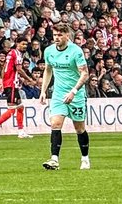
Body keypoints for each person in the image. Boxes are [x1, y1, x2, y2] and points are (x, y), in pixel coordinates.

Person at [39, 23, 91, 170]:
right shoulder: (49, 51)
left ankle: (85, 158)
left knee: (79, 128)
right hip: (59, 94)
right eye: (55, 35)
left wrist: (74, 91)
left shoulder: (76, 51)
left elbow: (85, 73)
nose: (57, 38)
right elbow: (48, 70)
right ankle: (54, 159)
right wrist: (43, 91)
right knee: (55, 123)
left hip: (77, 94)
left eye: (60, 35)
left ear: (67, 35)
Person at [0, 36, 33, 139]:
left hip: (11, 84)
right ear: (17, 43)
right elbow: (19, 69)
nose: (24, 46)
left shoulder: (11, 53)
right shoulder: (16, 54)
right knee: (12, 109)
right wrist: (29, 79)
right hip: (12, 84)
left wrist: (3, 81)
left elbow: (4, 67)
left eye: (26, 44)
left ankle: (21, 131)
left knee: (20, 107)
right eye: (22, 44)